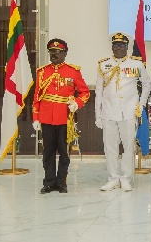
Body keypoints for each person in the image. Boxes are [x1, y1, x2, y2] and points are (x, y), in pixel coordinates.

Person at [32, 38, 90, 194]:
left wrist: (76, 103)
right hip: (46, 118)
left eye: (57, 52)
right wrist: (36, 117)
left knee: (64, 152)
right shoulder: (42, 72)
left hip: (65, 118)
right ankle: (49, 182)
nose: (54, 54)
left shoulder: (73, 71)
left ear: (64, 54)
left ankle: (61, 182)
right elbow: (37, 96)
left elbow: (85, 92)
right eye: (51, 52)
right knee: (48, 152)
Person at [95, 32, 150, 192]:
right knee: (110, 148)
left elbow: (146, 84)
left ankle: (126, 178)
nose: (118, 47)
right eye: (115, 45)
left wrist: (141, 104)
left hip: (128, 112)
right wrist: (98, 115)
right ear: (112, 47)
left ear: (127, 47)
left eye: (122, 45)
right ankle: (113, 178)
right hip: (108, 112)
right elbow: (98, 91)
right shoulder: (103, 65)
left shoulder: (136, 65)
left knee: (128, 147)